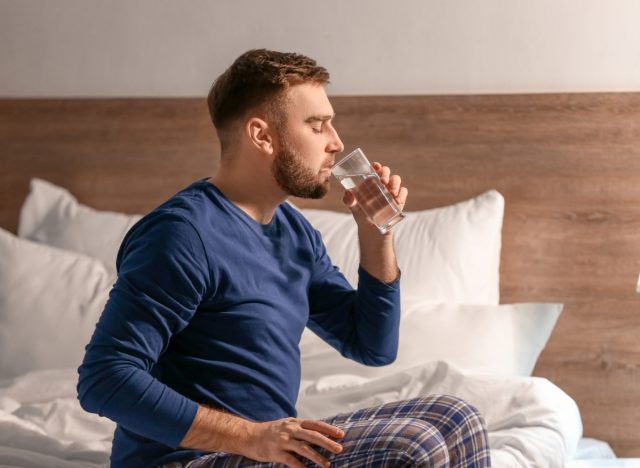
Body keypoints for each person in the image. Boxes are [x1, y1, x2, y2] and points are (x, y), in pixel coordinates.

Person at [77, 49, 491, 468]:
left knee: (458, 417)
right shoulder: (181, 234)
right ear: (262, 136)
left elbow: (372, 345)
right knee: (415, 446)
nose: (336, 142)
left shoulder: (293, 232)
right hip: (185, 461)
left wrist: (375, 232)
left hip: (264, 452)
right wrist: (253, 437)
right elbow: (104, 378)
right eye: (317, 125)